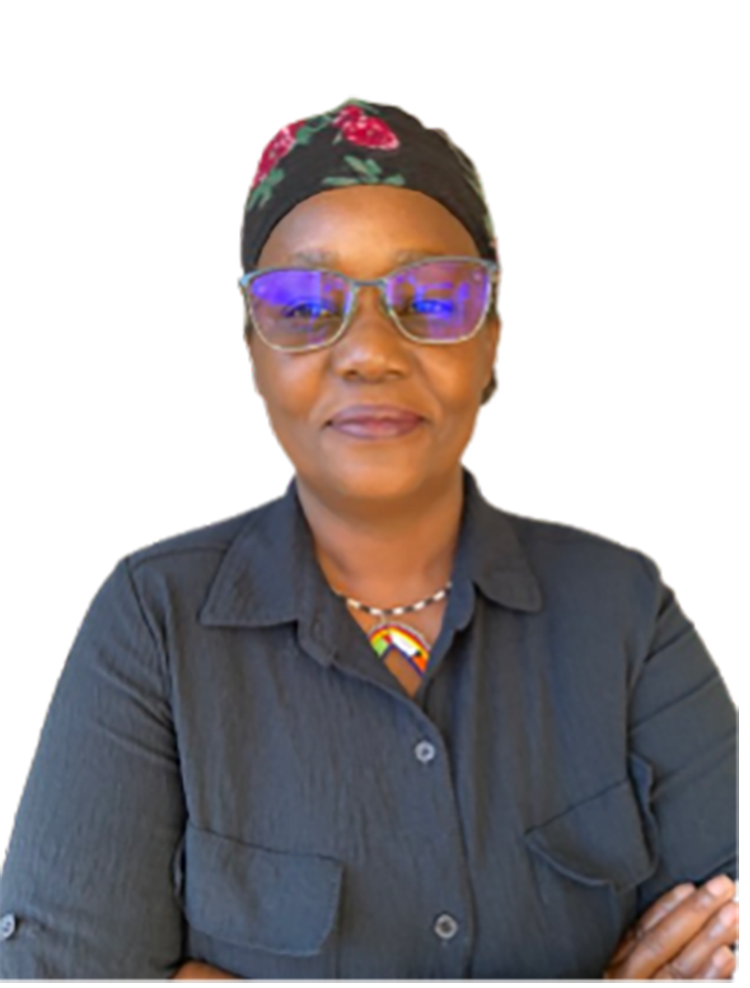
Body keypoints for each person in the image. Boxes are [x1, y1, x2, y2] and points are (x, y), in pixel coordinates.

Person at [0, 98, 738, 983]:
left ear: (492, 341)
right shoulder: (155, 622)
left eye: (432, 299)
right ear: (253, 353)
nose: (369, 353)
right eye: (305, 305)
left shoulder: (624, 612)